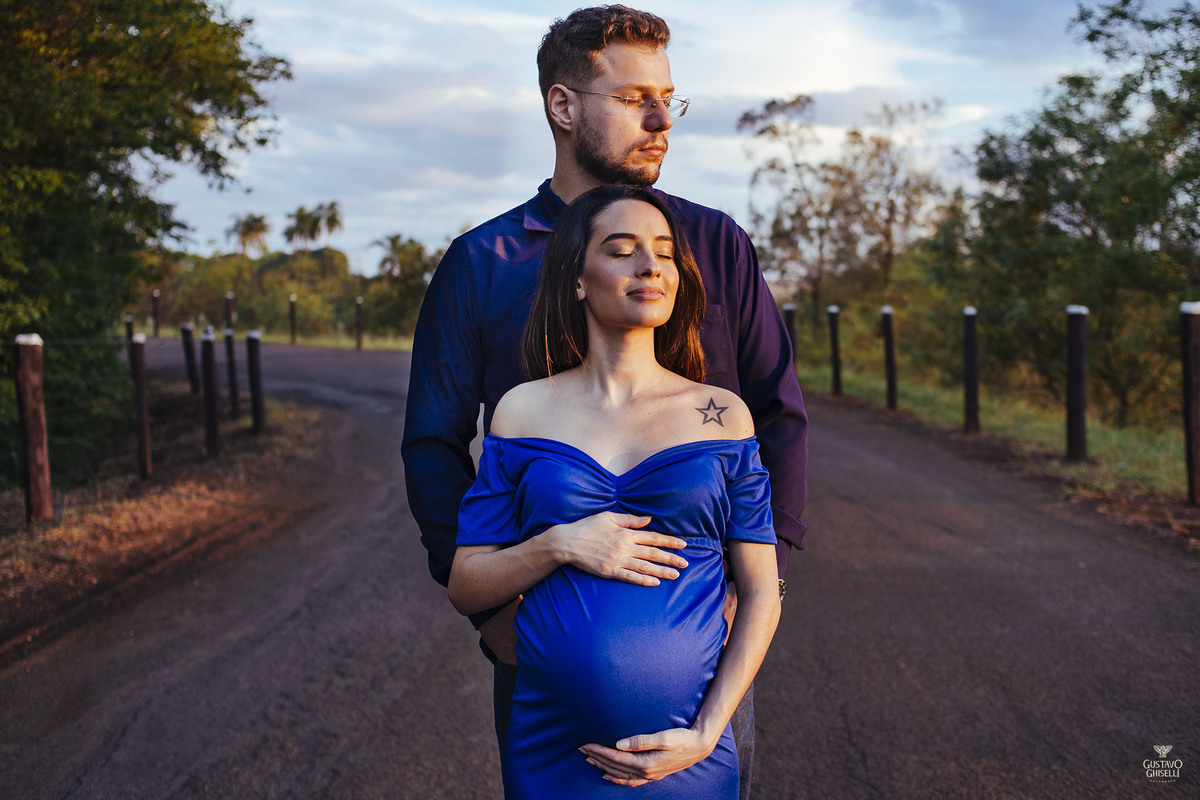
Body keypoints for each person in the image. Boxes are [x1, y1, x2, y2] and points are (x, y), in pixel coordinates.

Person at [401, 6, 808, 796]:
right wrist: (493, 619)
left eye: (669, 99)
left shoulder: (713, 243)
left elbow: (779, 415)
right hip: (541, 649)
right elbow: (434, 445)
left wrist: (754, 591)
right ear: (563, 106)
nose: (660, 120)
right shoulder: (482, 261)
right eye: (633, 99)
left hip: (702, 650)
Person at [448, 184, 782, 797]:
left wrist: (708, 733)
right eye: (622, 250)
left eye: (663, 252)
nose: (649, 266)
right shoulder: (522, 411)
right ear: (577, 278)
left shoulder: (721, 414)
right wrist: (559, 545)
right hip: (553, 745)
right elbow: (465, 581)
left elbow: (762, 591)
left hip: (687, 753)